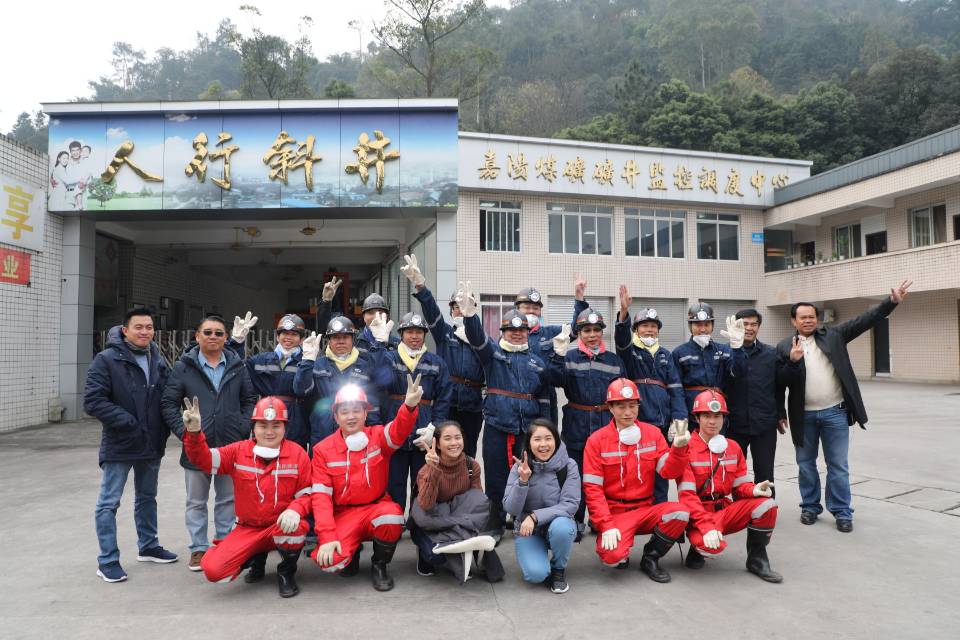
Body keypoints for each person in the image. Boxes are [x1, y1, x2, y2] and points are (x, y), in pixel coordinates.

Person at [777, 280, 912, 533]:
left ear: (817, 319)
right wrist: (792, 365)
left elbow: (865, 320)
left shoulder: (834, 336)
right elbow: (779, 382)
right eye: (803, 317)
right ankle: (810, 507)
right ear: (793, 321)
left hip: (835, 412)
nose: (808, 320)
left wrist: (890, 302)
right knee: (806, 465)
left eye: (812, 316)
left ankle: (842, 511)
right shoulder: (785, 347)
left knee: (838, 466)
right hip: (803, 416)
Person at [181, 396, 312, 597]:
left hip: (279, 526)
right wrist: (194, 433)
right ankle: (254, 558)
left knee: (298, 527)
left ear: (285, 428)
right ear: (253, 427)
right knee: (214, 571)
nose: (269, 432)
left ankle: (286, 572)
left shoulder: (298, 454)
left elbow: (307, 493)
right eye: (263, 425)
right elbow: (204, 460)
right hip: (248, 528)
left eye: (276, 426)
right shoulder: (238, 451)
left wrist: (296, 509)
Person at [84, 308, 177, 582]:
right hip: (121, 442)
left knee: (147, 497)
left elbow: (166, 397)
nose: (145, 332)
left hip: (151, 442)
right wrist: (128, 422)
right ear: (125, 330)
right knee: (109, 503)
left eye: (149, 327)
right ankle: (108, 560)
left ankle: (148, 546)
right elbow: (93, 401)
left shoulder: (157, 359)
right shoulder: (106, 360)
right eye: (139, 327)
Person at [161, 315, 257, 571]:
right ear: (197, 336)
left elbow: (249, 399)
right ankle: (199, 548)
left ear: (226, 337)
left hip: (230, 445)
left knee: (228, 499)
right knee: (196, 501)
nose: (213, 337)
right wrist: (186, 432)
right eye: (208, 332)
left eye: (218, 333)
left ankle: (224, 543)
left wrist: (242, 427)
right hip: (197, 445)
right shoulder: (183, 367)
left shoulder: (237, 365)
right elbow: (168, 403)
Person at [310, 377, 423, 591]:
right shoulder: (322, 450)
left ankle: (379, 565)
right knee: (329, 561)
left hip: (376, 507)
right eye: (345, 412)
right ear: (336, 416)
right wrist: (326, 536)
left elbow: (398, 429)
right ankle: (351, 554)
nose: (351, 416)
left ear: (365, 413)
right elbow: (321, 498)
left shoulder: (378, 436)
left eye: (356, 410)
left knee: (392, 518)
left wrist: (408, 407)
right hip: (343, 514)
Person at [456, 281, 551, 531]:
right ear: (503, 332)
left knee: (528, 477)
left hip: (527, 430)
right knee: (496, 479)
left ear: (528, 332)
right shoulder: (493, 355)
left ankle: (524, 521)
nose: (517, 334)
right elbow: (477, 339)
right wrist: (470, 316)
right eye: (511, 330)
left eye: (521, 331)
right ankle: (495, 524)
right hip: (497, 426)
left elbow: (544, 398)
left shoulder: (537, 362)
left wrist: (546, 429)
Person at [582, 378, 691, 582]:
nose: (628, 412)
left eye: (632, 406)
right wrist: (605, 525)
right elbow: (592, 490)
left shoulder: (653, 434)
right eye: (621, 406)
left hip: (646, 509)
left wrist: (679, 449)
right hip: (616, 513)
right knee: (612, 557)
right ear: (610, 408)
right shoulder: (596, 441)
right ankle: (620, 547)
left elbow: (668, 472)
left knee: (681, 512)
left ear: (639, 406)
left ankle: (651, 557)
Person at [678, 390, 781, 582]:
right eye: (706, 416)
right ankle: (696, 548)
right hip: (698, 513)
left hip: (724, 510)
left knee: (767, 504)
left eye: (717, 416)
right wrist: (706, 526)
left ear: (724, 418)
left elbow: (739, 486)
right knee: (710, 546)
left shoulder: (732, 447)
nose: (712, 421)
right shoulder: (685, 448)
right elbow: (688, 497)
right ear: (697, 418)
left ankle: (757, 558)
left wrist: (753, 489)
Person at [546, 308, 624, 535]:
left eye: (596, 330)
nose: (592, 335)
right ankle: (576, 519)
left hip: (606, 424)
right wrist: (557, 357)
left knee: (606, 476)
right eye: (586, 330)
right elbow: (555, 379)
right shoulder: (569, 358)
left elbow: (622, 394)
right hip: (576, 425)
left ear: (602, 332)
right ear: (579, 333)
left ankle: (601, 520)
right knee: (576, 476)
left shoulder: (614, 360)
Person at [403, 254, 486, 457]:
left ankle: (467, 478)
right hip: (448, 403)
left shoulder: (483, 340)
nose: (460, 311)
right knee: (443, 450)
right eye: (456, 307)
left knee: (467, 452)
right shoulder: (445, 334)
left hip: (473, 406)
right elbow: (432, 312)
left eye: (464, 306)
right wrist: (421, 287)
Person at [613, 285, 687, 504]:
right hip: (639, 422)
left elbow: (676, 389)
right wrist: (624, 314)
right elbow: (621, 341)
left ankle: (660, 511)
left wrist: (679, 422)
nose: (649, 330)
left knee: (661, 471)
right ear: (636, 329)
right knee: (639, 470)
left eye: (654, 326)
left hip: (663, 426)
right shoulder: (629, 352)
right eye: (645, 326)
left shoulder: (666, 355)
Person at [409, 421, 504, 583]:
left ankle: (458, 541)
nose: (454, 443)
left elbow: (477, 502)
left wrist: (459, 520)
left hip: (458, 515)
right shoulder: (425, 470)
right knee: (436, 556)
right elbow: (426, 505)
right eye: (447, 438)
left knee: (481, 501)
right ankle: (448, 543)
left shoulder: (471, 465)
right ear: (438, 444)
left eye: (457, 437)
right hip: (433, 519)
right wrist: (433, 470)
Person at [380, 311, 453, 511]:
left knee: (422, 481)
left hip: (423, 433)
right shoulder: (389, 359)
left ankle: (418, 522)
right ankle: (394, 521)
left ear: (424, 335)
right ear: (401, 334)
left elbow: (444, 399)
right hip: (395, 430)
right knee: (394, 482)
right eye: (409, 332)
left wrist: (434, 428)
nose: (414, 336)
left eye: (419, 332)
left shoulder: (436, 363)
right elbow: (378, 391)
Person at [502, 418, 580, 594]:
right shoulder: (519, 468)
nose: (543, 444)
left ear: (556, 441)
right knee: (536, 575)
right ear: (529, 444)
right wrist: (523, 481)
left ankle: (558, 569)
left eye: (548, 438)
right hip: (528, 531)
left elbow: (570, 504)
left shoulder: (569, 466)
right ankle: (540, 559)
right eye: (537, 439)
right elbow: (511, 509)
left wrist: (534, 517)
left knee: (562, 528)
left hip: (557, 525)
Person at [293, 317, 392, 446]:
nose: (340, 341)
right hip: (323, 437)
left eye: (345, 337)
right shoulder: (317, 365)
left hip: (357, 437)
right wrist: (307, 361)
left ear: (353, 340)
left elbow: (376, 394)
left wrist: (373, 432)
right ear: (329, 341)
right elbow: (301, 390)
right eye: (335, 337)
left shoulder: (365, 366)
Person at [228, 313, 311, 452]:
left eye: (294, 334)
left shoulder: (307, 361)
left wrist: (308, 361)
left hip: (297, 419)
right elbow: (236, 368)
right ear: (277, 337)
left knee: (294, 456)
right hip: (266, 415)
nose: (288, 337)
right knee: (265, 456)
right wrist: (236, 343)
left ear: (301, 339)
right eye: (284, 333)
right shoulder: (261, 360)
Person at [723, 308, 786, 490]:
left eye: (754, 324)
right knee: (735, 473)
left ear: (759, 327)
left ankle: (766, 506)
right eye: (745, 324)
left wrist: (780, 413)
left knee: (765, 473)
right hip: (734, 424)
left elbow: (778, 387)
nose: (749, 328)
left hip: (764, 424)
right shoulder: (724, 353)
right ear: (736, 326)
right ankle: (740, 505)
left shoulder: (771, 354)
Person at [515, 279, 589, 423]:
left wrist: (579, 298)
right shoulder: (509, 336)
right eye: (527, 307)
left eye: (536, 308)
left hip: (545, 400)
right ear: (517, 310)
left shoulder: (550, 333)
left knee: (546, 435)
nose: (531, 311)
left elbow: (576, 328)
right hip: (517, 396)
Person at [672, 302, 736, 426]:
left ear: (712, 326)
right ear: (690, 326)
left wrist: (737, 349)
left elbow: (738, 372)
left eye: (707, 324)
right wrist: (680, 416)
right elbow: (676, 389)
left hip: (718, 411)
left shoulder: (724, 350)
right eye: (698, 324)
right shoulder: (679, 353)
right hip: (692, 414)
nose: (702, 329)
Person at [317, 277, 398, 352]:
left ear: (387, 316)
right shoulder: (353, 339)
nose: (375, 317)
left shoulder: (396, 344)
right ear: (364, 317)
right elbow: (325, 331)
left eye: (380, 313)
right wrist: (326, 302)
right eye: (370, 313)